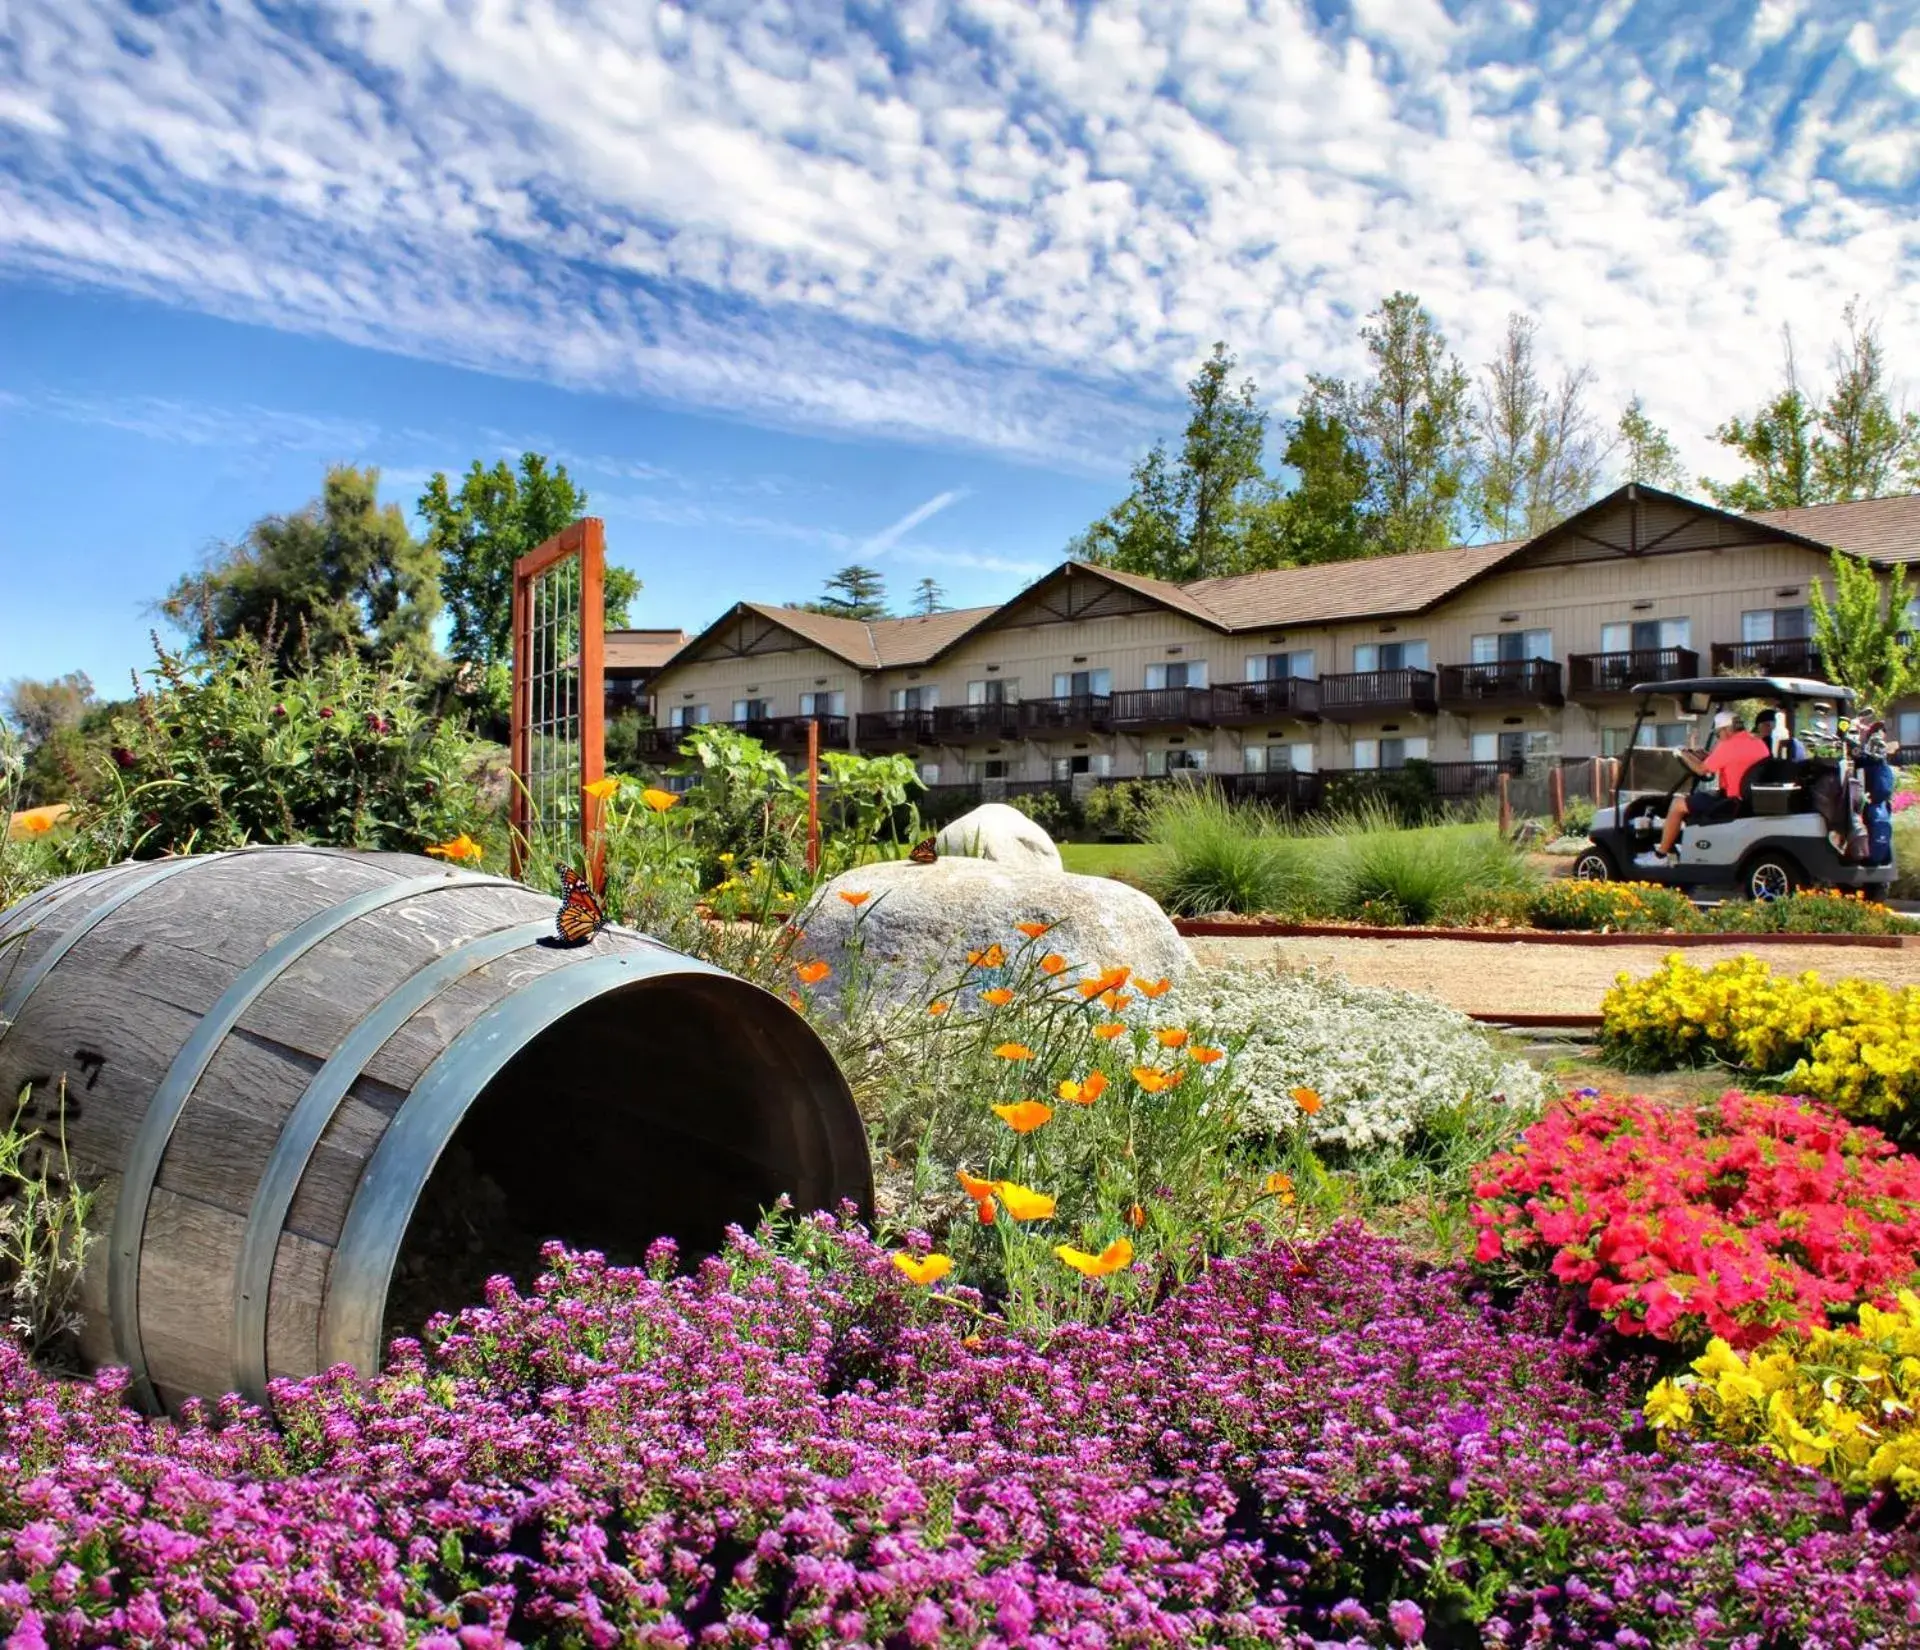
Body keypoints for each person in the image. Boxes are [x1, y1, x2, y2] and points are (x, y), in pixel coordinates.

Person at [1635, 711, 1770, 868]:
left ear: (1727, 729)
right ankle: (1682, 847)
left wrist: (1681, 753)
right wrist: (1703, 755)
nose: (1718, 737)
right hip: (1748, 799)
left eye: (1718, 733)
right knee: (1697, 799)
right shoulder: (1756, 741)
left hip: (1732, 801)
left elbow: (1701, 770)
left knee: (1678, 805)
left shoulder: (1728, 745)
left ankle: (1661, 856)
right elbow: (1724, 760)